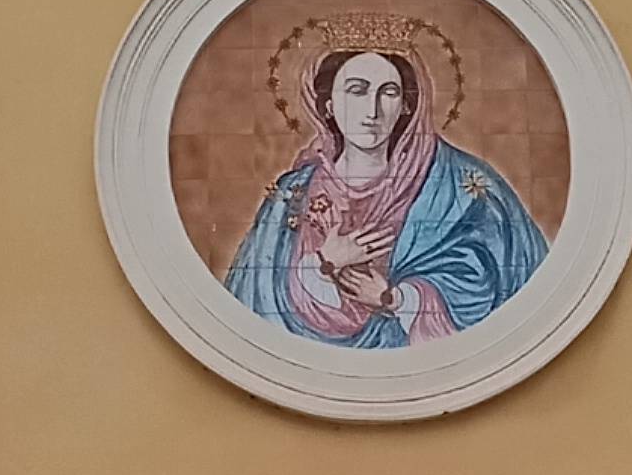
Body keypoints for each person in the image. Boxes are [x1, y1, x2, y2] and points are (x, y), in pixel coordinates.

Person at [224, 40, 545, 347]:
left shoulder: (456, 183)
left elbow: (491, 281)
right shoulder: (292, 194)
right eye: (357, 91)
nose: (372, 110)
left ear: (406, 106)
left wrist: (395, 299)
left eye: (389, 92)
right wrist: (324, 263)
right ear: (329, 105)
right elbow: (257, 296)